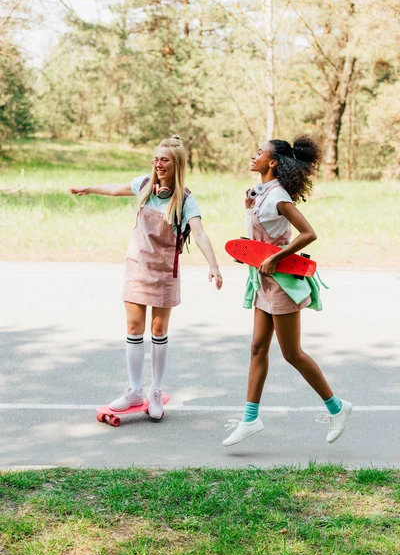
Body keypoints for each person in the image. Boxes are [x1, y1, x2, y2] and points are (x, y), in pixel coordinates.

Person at [71, 135, 223, 419]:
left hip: (165, 271)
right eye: (156, 159)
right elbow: (117, 189)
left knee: (158, 331)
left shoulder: (186, 200)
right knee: (133, 327)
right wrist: (88, 189)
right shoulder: (143, 185)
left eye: (164, 160)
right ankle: (134, 390)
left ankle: (155, 390)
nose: (158, 164)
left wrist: (213, 265)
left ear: (176, 164)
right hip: (137, 267)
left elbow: (199, 233)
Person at [222, 136, 351, 446]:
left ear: (273, 162)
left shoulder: (278, 197)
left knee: (291, 353)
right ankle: (250, 419)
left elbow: (309, 234)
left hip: (283, 283)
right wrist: (248, 253)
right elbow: (263, 237)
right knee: (257, 348)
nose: (254, 156)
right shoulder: (258, 193)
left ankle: (337, 408)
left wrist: (273, 257)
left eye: (259, 153)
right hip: (263, 281)